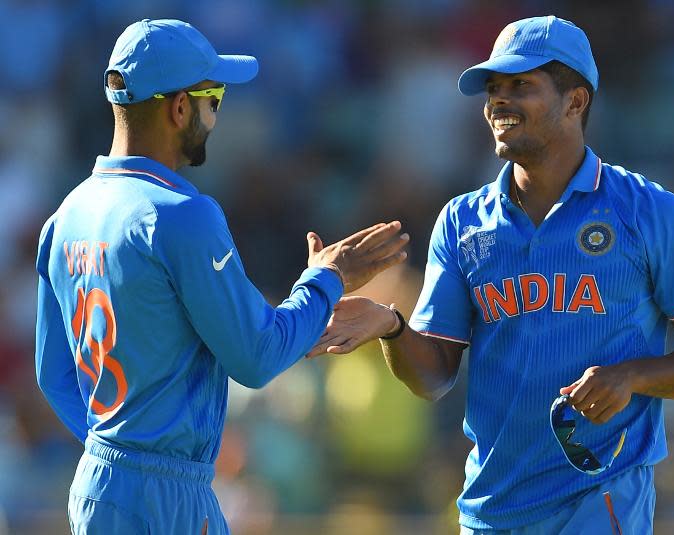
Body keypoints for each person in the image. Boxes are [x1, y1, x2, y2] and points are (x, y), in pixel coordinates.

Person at [308, 15, 674, 534]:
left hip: (600, 502)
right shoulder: (462, 221)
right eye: (493, 88)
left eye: (521, 86)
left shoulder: (651, 213)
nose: (499, 102)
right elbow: (433, 377)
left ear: (575, 101)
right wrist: (391, 326)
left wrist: (633, 376)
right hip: (489, 512)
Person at [34, 18, 408, 535]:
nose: (215, 116)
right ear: (179, 106)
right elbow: (255, 357)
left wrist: (116, 455)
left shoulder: (65, 215)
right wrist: (327, 279)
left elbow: (53, 376)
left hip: (98, 482)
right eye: (214, 99)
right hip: (167, 496)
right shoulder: (181, 214)